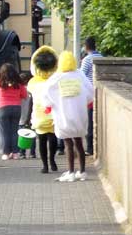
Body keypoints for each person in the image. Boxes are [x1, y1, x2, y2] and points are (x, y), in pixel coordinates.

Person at [45, 51, 95, 182]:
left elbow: (46, 93)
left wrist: (49, 104)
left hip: (63, 114)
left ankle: (71, 172)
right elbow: (90, 92)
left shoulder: (57, 77)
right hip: (79, 114)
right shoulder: (80, 75)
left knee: (68, 143)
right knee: (79, 142)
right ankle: (82, 171)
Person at [27, 46, 60, 175]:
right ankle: (52, 161)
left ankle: (45, 165)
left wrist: (26, 118)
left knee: (41, 141)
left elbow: (30, 97)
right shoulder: (56, 81)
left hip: (39, 115)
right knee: (53, 139)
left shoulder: (33, 83)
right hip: (53, 114)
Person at [0, 63, 29, 161]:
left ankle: (6, 153)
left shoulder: (0, 81)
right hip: (16, 108)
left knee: (4, 132)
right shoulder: (19, 83)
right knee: (14, 131)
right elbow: (25, 95)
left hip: (2, 108)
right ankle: (15, 153)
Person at [80, 37, 103, 155]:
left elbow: (81, 76)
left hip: (90, 95)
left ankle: (90, 148)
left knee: (90, 123)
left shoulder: (87, 59)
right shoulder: (102, 58)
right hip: (101, 94)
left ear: (86, 47)